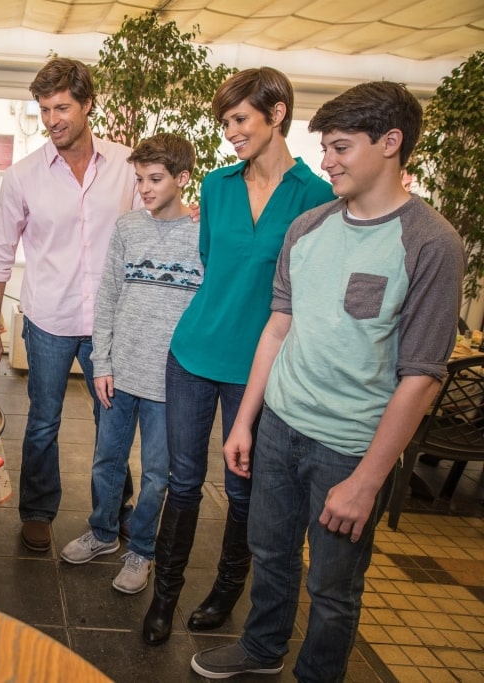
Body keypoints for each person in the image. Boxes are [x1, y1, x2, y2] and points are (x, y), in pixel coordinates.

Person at [191, 81, 464, 681]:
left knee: (334, 586)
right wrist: (245, 423)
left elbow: (420, 379)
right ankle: (263, 650)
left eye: (341, 147)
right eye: (326, 147)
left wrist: (367, 482)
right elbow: (276, 329)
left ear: (390, 143)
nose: (327, 161)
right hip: (281, 426)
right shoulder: (309, 227)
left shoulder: (431, 244)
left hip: (349, 447)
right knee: (270, 554)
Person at [142, 67, 336, 645]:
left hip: (263, 369)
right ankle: (164, 598)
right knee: (182, 481)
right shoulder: (219, 185)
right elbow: (213, 266)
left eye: (239, 119)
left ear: (276, 115)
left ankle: (226, 591)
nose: (230, 132)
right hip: (194, 352)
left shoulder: (318, 197)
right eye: (225, 121)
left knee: (243, 487)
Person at [0, 57, 138, 552]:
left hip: (110, 324)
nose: (52, 120)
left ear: (88, 104)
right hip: (48, 320)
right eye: (44, 110)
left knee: (113, 423)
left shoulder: (128, 166)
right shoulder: (23, 176)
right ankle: (38, 511)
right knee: (43, 421)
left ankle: (113, 510)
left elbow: (153, 226)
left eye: (62, 107)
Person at [59, 133, 201, 596]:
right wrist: (102, 362)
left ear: (182, 179)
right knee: (106, 461)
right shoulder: (127, 228)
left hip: (172, 383)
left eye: (155, 179)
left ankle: (141, 548)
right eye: (139, 178)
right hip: (118, 373)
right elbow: (107, 299)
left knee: (159, 474)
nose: (144, 187)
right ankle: (102, 533)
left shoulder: (205, 233)